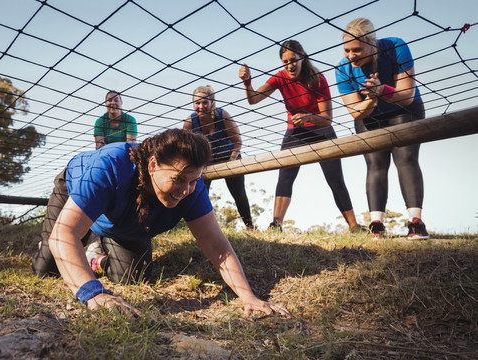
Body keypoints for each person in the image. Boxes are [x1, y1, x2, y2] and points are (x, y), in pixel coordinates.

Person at [32, 128, 290, 319]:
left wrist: (249, 296)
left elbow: (216, 245)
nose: (185, 190)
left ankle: (95, 258)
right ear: (153, 165)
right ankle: (86, 241)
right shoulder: (109, 166)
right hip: (76, 194)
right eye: (178, 179)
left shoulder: (192, 188)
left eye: (193, 180)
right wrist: (93, 293)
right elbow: (62, 235)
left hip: (124, 222)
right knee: (48, 268)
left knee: (132, 277)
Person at [238, 40, 363, 233]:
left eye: (293, 60)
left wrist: (308, 117)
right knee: (285, 175)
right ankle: (276, 224)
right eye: (285, 61)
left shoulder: (317, 79)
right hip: (295, 131)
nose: (290, 65)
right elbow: (253, 99)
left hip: (321, 129)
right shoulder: (280, 78)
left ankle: (354, 226)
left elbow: (327, 119)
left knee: (335, 179)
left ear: (302, 57)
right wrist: (247, 82)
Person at [335, 18, 428, 240]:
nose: (350, 55)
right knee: (375, 164)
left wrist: (382, 90)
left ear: (372, 43)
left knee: (405, 158)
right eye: (347, 50)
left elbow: (407, 96)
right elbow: (356, 111)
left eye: (356, 50)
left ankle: (416, 223)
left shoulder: (396, 47)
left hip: (404, 109)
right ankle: (376, 225)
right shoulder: (342, 68)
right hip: (371, 115)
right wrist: (372, 100)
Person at [183, 85, 256, 230]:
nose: (201, 106)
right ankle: (203, 228)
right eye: (197, 103)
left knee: (238, 193)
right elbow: (185, 146)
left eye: (205, 102)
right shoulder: (190, 122)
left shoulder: (223, 116)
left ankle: (249, 226)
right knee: (200, 192)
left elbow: (237, 142)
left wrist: (231, 162)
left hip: (230, 156)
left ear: (212, 102)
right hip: (207, 161)